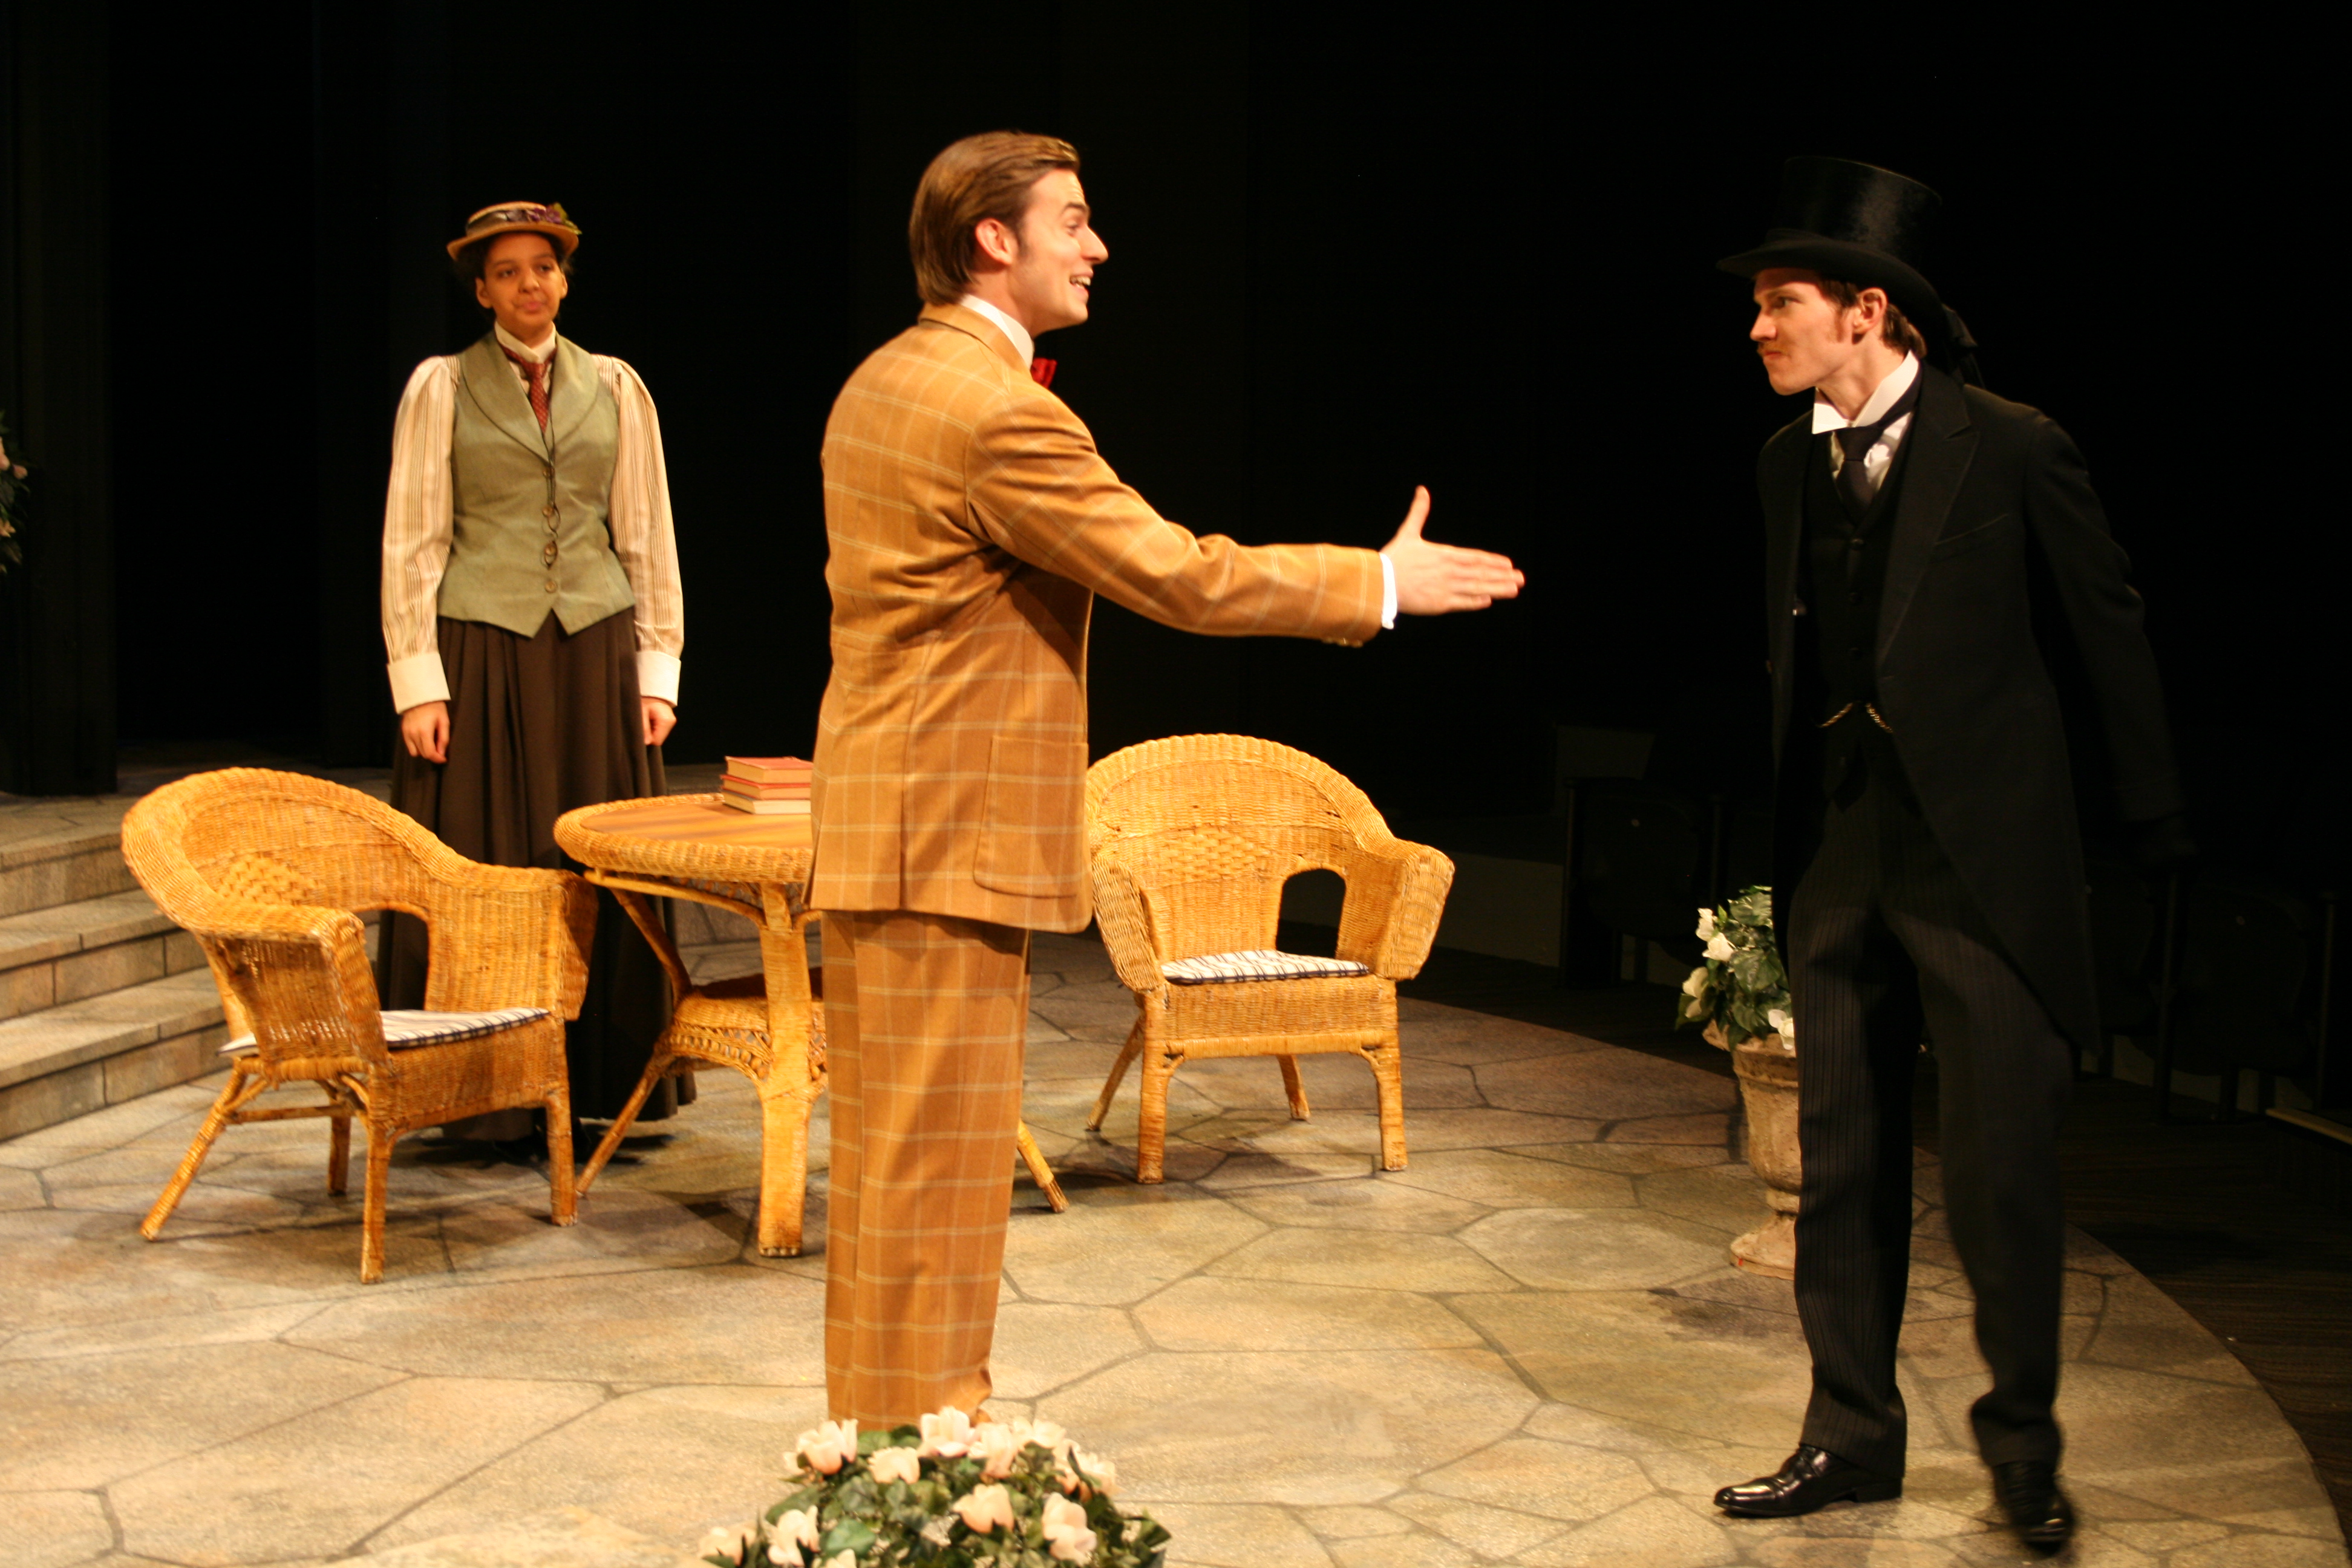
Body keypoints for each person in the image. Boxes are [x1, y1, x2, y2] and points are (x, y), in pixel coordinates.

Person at [812, 131, 1523, 1427]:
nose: (1097, 245)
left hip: (891, 829)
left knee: (896, 1174)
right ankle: (921, 1454)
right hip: (941, 842)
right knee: (940, 1179)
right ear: (994, 239)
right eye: (1072, 220)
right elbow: (1179, 575)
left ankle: (896, 1449)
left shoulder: (883, 380)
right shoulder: (998, 411)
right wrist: (1374, 584)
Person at [1710, 158, 2186, 1554]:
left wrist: (2153, 828)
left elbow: (2110, 635)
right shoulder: (1784, 462)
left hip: (1981, 868)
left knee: (2001, 1182)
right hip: (1844, 856)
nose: (1757, 328)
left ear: (1868, 311)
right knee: (1842, 1166)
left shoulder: (2014, 445)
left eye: (1777, 303)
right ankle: (1848, 1436)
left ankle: (2024, 1454)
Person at [378, 201, 689, 1146]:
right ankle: (482, 1092)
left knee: (596, 867)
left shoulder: (617, 388)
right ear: (482, 291)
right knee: (489, 860)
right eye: (508, 272)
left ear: (564, 280)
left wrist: (658, 668)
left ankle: (603, 1080)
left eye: (542, 269)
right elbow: (413, 539)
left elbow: (645, 531)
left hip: (594, 649)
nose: (528, 285)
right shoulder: (442, 387)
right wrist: (419, 680)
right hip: (484, 650)